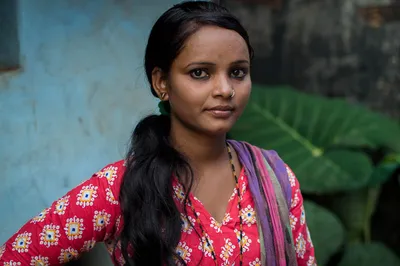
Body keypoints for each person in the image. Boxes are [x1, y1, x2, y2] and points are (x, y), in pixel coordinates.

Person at [0, 1, 316, 265]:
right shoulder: (120, 188)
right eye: (200, 73)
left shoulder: (274, 178)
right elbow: (15, 257)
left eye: (237, 72)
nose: (225, 89)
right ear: (161, 82)